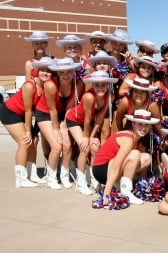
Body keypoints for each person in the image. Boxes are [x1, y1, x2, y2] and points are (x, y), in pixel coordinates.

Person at [0, 57, 53, 187]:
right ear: (37, 71)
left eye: (48, 70)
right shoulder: (30, 85)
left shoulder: (46, 86)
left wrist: (34, 131)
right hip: (10, 112)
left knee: (34, 141)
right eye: (42, 70)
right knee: (24, 142)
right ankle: (21, 178)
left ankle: (32, 174)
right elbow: (29, 111)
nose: (45, 73)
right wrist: (29, 131)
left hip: (22, 115)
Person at [35, 57, 84, 190]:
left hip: (63, 114)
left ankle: (64, 175)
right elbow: (52, 109)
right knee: (57, 146)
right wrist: (56, 129)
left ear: (73, 71)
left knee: (67, 145)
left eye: (69, 71)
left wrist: (64, 125)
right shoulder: (50, 85)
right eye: (62, 72)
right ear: (57, 72)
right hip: (45, 113)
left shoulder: (78, 84)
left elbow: (69, 107)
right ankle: (51, 178)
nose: (66, 75)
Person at [65, 71, 117, 195]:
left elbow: (99, 118)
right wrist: (86, 137)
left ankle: (95, 179)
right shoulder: (89, 97)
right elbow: (87, 119)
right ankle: (81, 182)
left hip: (89, 124)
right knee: (85, 148)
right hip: (74, 120)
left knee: (95, 146)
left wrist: (92, 136)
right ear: (92, 85)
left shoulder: (110, 96)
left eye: (103, 85)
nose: (100, 88)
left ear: (107, 85)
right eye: (97, 85)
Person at [92, 109, 159, 205]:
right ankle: (125, 191)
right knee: (135, 154)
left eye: (146, 125)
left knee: (146, 158)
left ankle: (118, 185)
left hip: (110, 167)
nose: (144, 128)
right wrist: (106, 193)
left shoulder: (137, 139)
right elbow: (116, 164)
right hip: (101, 170)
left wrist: (144, 186)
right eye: (140, 124)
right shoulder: (128, 139)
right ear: (133, 124)